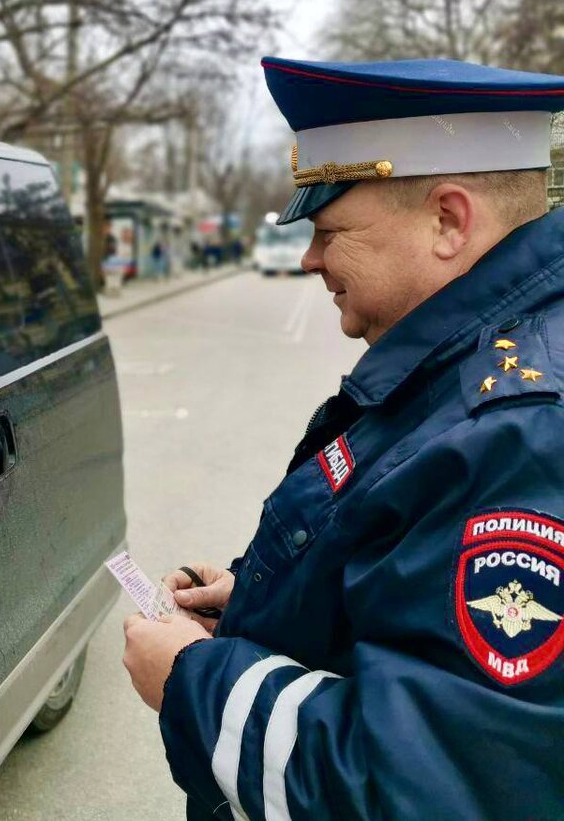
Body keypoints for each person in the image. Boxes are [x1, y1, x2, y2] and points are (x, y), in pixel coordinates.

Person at [121, 56, 564, 819]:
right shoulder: (464, 365)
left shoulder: (518, 430)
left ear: (449, 221)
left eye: (332, 231)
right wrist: (266, 597)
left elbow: (433, 787)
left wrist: (191, 680)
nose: (310, 259)